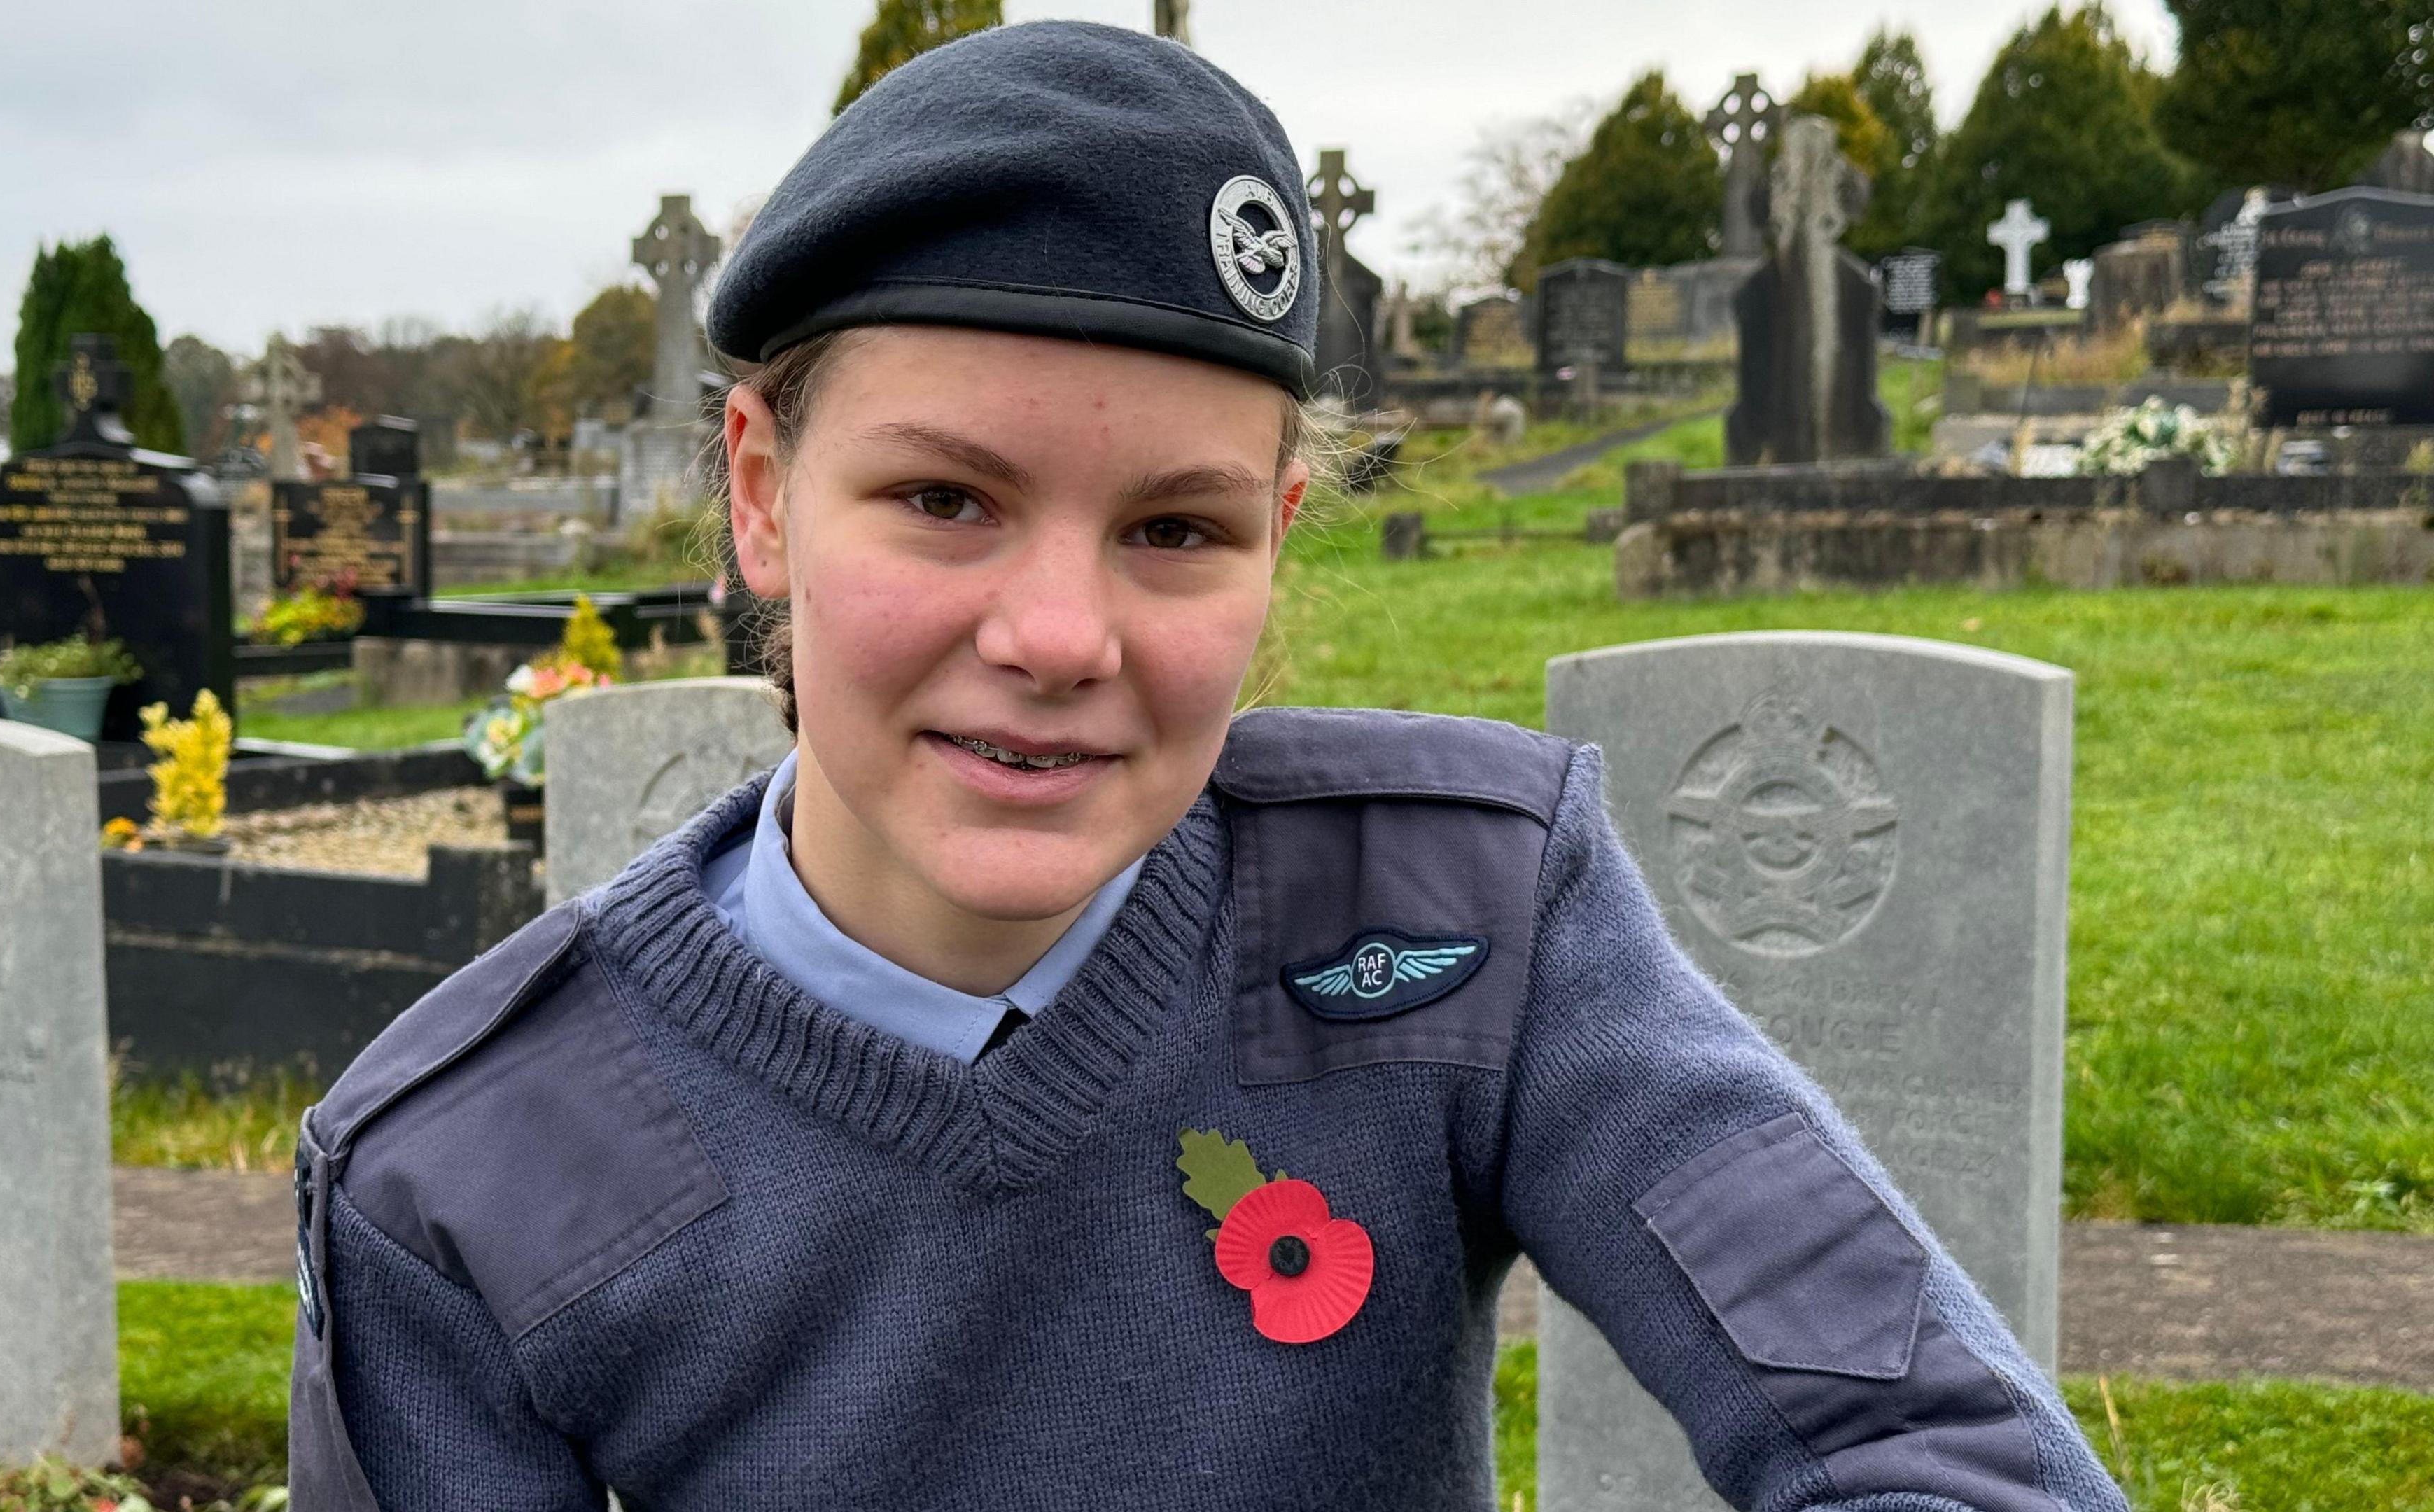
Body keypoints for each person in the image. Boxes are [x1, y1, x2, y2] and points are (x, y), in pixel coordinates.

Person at [288, 22, 2126, 1511]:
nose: (1062, 638)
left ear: (1282, 531)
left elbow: (1936, 1448)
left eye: (1177, 530)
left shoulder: (1467, 917)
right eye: (944, 501)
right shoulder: (461, 1178)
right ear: (762, 494)